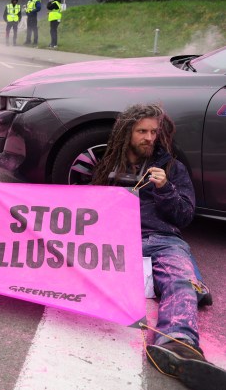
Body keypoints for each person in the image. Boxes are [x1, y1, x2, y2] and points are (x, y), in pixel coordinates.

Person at [91, 104, 226, 390]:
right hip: (117, 239)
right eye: (142, 131)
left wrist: (166, 189)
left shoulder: (172, 168)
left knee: (181, 281)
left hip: (163, 240)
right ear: (126, 133)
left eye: (154, 131)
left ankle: (177, 345)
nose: (150, 137)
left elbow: (185, 216)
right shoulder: (106, 166)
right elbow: (89, 209)